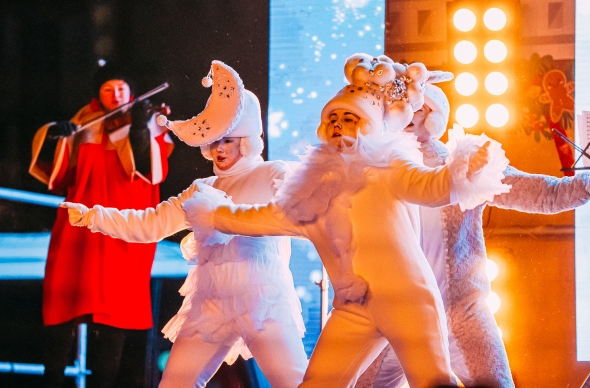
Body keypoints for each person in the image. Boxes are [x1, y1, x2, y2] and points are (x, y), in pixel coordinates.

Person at [180, 54, 512, 388]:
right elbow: (267, 217)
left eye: (349, 117)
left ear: (368, 124)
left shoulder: (388, 165)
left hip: (407, 302)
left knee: (432, 381)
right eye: (333, 118)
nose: (339, 123)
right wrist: (214, 215)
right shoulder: (312, 190)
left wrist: (464, 171)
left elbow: (431, 186)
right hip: (353, 308)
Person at [61, 60, 308, 388]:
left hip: (262, 302)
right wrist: (94, 216)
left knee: (295, 383)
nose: (219, 149)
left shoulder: (273, 173)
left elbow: (297, 215)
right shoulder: (203, 187)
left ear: (248, 139)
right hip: (211, 303)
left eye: (228, 140)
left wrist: (225, 218)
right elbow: (152, 224)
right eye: (215, 141)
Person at [358, 83, 590, 388]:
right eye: (401, 107)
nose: (410, 114)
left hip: (462, 311)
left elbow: (540, 194)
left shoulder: (465, 162)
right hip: (393, 313)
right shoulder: (372, 170)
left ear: (435, 115)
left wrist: (584, 185)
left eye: (419, 107)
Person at [29, 62, 174, 388]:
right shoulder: (84, 122)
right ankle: (52, 380)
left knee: (114, 311)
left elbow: (150, 172)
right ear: (98, 94)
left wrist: (140, 127)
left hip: (123, 228)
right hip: (80, 224)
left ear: (131, 91)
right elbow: (57, 177)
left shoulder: (149, 120)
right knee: (63, 300)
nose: (115, 94)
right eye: (108, 89)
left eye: (121, 88)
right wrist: (55, 136)